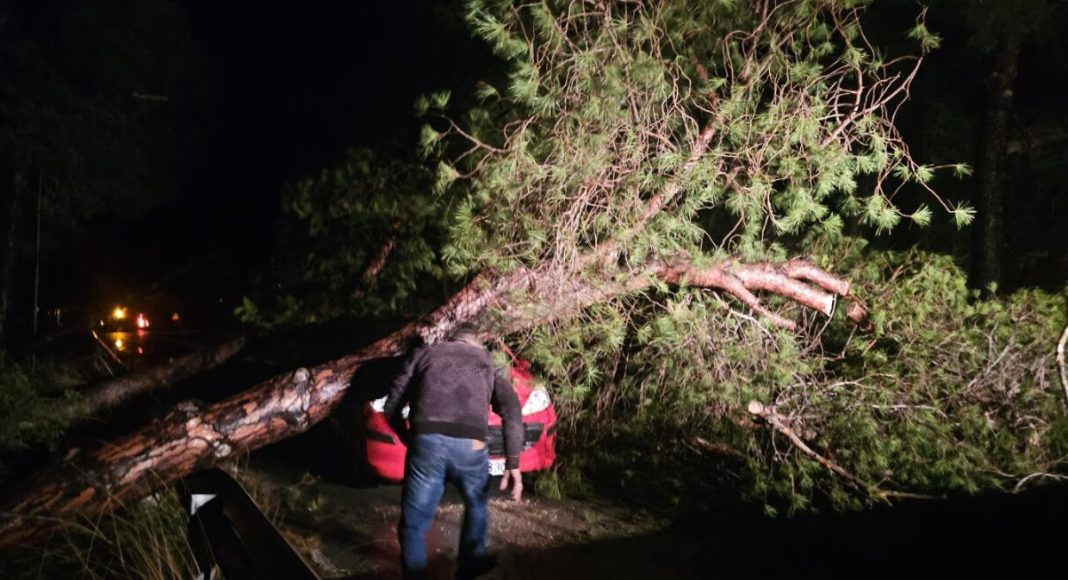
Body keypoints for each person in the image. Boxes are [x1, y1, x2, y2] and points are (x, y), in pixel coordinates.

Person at [384, 322, 524, 579]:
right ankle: (471, 561)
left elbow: (392, 404)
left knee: (413, 524)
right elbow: (512, 411)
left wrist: (410, 438)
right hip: (472, 447)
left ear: (451, 340)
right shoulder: (486, 362)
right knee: (477, 503)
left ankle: (415, 575)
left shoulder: (424, 354)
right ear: (476, 342)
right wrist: (513, 462)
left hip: (427, 442)